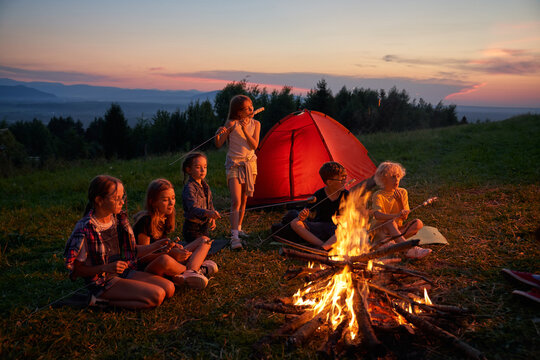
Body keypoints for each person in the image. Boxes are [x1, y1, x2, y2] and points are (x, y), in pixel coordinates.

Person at [64, 175, 175, 309]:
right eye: (116, 198)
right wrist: (105, 268)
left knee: (169, 288)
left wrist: (156, 246)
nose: (122, 202)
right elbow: (77, 271)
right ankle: (95, 301)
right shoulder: (85, 229)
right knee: (156, 296)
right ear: (99, 200)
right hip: (103, 281)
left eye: (122, 197)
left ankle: (117, 293)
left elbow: (132, 251)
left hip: (124, 272)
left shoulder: (118, 219)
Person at [133, 178, 218, 290]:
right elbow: (142, 258)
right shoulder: (145, 221)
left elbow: (162, 246)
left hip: (165, 257)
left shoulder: (165, 217)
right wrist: (172, 254)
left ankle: (191, 272)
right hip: (149, 268)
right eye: (165, 200)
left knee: (205, 240)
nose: (171, 203)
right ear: (152, 201)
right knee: (165, 260)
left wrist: (173, 247)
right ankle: (197, 270)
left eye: (173, 198)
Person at [215, 95, 261, 250]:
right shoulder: (231, 123)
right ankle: (234, 236)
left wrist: (244, 130)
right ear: (238, 112)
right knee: (236, 200)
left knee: (244, 199)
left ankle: (239, 229)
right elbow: (219, 143)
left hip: (249, 164)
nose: (251, 109)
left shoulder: (256, 123)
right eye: (247, 108)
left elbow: (254, 145)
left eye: (251, 106)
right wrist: (219, 132)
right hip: (234, 165)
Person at [370, 161, 431, 259]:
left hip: (396, 231)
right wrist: (395, 216)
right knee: (390, 222)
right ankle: (409, 249)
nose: (396, 179)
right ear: (384, 179)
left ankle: (391, 244)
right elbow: (377, 215)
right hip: (379, 232)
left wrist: (400, 202)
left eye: (398, 176)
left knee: (418, 223)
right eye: (393, 177)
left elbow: (405, 216)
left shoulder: (402, 192)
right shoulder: (378, 195)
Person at [288, 162, 350, 251]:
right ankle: (323, 246)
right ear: (330, 182)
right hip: (319, 227)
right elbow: (309, 212)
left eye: (345, 178)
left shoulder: (347, 195)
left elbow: (352, 216)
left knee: (349, 228)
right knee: (295, 222)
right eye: (341, 179)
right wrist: (304, 215)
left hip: (336, 231)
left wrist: (344, 218)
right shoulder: (319, 195)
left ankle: (323, 248)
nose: (345, 181)